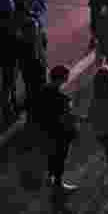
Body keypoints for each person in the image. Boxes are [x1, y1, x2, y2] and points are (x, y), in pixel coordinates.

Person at [34, 65, 79, 197]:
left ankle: (51, 177)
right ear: (61, 78)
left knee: (51, 156)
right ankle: (58, 185)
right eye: (66, 77)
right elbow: (67, 117)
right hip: (60, 134)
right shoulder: (62, 98)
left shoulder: (43, 91)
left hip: (46, 131)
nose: (67, 79)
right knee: (60, 159)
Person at [12, 0, 48, 119]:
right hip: (25, 43)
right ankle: (30, 102)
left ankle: (32, 100)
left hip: (34, 38)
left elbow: (43, 7)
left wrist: (35, 12)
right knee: (30, 75)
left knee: (33, 74)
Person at [0, 0, 18, 122]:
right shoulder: (12, 24)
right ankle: (7, 109)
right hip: (9, 58)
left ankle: (9, 106)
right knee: (8, 84)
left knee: (8, 85)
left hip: (8, 58)